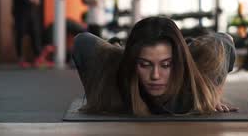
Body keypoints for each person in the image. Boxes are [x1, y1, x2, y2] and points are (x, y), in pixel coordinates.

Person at [73, 16, 236, 116]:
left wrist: (213, 94)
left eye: (166, 65)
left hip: (191, 55)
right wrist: (95, 93)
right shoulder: (116, 76)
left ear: (178, 63)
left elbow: (225, 40)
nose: (155, 76)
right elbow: (82, 41)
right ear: (133, 64)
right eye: (145, 65)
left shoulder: (197, 75)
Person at [10, 0, 42, 67]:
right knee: (20, 33)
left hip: (30, 10)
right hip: (20, 11)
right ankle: (20, 58)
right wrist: (30, 0)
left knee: (35, 32)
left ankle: (38, 57)